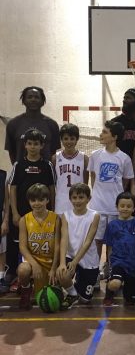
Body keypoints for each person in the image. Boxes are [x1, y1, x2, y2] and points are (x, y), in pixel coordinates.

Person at [88, 120, 135, 287]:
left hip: (116, 210)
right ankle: (94, 274)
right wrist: (96, 197)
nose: (101, 135)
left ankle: (112, 271)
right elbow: (93, 178)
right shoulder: (95, 155)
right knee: (97, 242)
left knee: (114, 244)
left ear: (114, 137)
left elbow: (126, 182)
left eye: (105, 132)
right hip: (97, 207)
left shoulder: (124, 158)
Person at [8, 129, 56, 290]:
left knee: (41, 241)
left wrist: (53, 210)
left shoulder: (47, 165)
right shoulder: (19, 165)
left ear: (42, 145)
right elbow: (12, 189)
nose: (33, 146)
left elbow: (52, 188)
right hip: (22, 213)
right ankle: (20, 278)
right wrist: (14, 212)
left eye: (36, 143)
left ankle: (43, 273)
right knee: (19, 244)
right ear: (25, 145)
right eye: (30, 143)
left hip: (43, 213)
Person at [56, 183, 100, 309]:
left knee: (85, 300)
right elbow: (64, 239)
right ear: (70, 199)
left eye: (81, 197)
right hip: (71, 255)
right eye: (74, 198)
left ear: (88, 199)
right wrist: (63, 262)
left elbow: (88, 241)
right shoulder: (65, 215)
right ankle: (72, 293)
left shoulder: (94, 215)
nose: (77, 200)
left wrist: (75, 262)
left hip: (88, 259)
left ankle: (79, 282)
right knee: (62, 273)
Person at [18, 184, 60, 309]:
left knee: (60, 281)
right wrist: (34, 264)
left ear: (47, 200)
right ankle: (26, 290)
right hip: (33, 260)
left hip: (51, 261)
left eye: (41, 200)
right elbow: (23, 247)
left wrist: (53, 269)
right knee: (22, 269)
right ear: (29, 201)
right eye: (33, 200)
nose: (37, 203)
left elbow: (57, 245)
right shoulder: (24, 220)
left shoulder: (56, 218)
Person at [103, 192, 135, 306]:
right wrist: (110, 265)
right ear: (117, 207)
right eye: (122, 206)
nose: (125, 209)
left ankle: (129, 288)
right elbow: (109, 247)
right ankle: (110, 292)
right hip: (118, 263)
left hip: (134, 266)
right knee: (115, 284)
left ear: (134, 208)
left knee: (131, 300)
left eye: (129, 206)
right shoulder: (112, 225)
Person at [5, 86, 60, 165]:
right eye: (29, 97)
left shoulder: (52, 125)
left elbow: (53, 152)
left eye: (37, 97)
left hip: (45, 175)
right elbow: (12, 152)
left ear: (42, 101)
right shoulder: (13, 124)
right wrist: (19, 169)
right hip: (22, 175)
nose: (33, 99)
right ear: (23, 101)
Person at [52, 123, 89, 215]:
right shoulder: (55, 158)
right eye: (65, 139)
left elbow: (85, 183)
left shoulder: (84, 158)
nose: (69, 142)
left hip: (78, 201)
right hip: (61, 201)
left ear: (76, 140)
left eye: (72, 139)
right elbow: (53, 183)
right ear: (61, 140)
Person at [111, 87, 135, 158]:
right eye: (124, 98)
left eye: (128, 98)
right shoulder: (115, 122)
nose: (124, 101)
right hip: (120, 167)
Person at [0, 168, 9, 293]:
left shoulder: (3, 175)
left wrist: (5, 220)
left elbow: (7, 203)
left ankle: (1, 278)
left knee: (1, 250)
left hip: (0, 216)